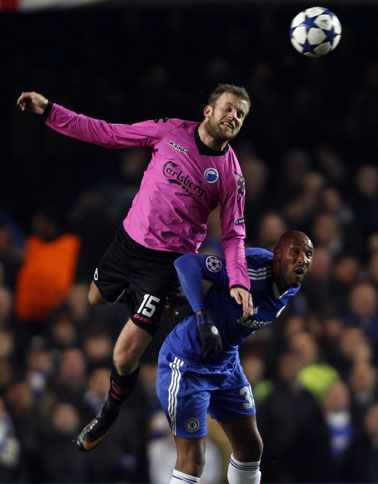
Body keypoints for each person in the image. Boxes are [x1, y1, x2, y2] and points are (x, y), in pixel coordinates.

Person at [17, 84, 254, 451]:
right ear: (207, 111)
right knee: (96, 299)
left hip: (166, 265)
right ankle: (155, 307)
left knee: (124, 354)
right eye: (228, 109)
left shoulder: (230, 176)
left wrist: (240, 281)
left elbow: (235, 237)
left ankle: (107, 414)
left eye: (240, 114)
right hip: (127, 243)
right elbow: (108, 133)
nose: (233, 117)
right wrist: (50, 111)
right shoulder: (171, 131)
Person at [156, 230, 313, 484]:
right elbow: (186, 262)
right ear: (276, 255)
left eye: (308, 254)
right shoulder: (249, 267)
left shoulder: (291, 286)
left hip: (226, 363)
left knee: (251, 448)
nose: (302, 260)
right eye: (295, 253)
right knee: (193, 459)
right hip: (188, 361)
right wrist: (202, 316)